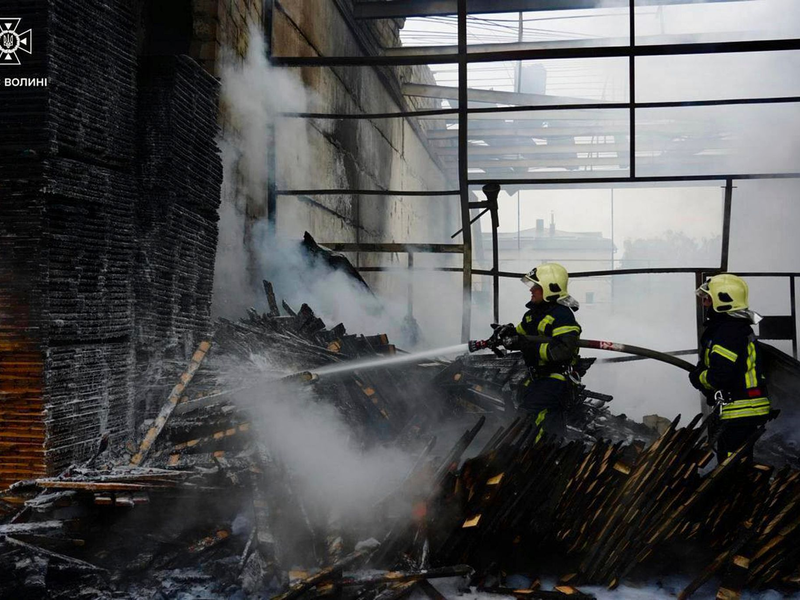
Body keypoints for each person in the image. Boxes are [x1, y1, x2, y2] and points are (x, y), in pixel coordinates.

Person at [496, 263, 582, 441]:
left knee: (528, 418)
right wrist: (506, 334)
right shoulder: (533, 315)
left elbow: (564, 350)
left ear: (551, 288)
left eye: (536, 286)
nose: (531, 290)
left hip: (555, 380)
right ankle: (556, 458)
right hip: (539, 379)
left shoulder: (562, 315)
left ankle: (529, 454)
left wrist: (531, 348)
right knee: (551, 424)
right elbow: (519, 337)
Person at [690, 274, 771, 459]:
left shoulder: (728, 332)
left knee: (731, 464)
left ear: (723, 301)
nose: (704, 303)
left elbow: (720, 376)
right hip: (742, 408)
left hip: (741, 409)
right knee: (735, 461)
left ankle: (741, 488)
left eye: (708, 298)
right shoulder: (730, 328)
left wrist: (697, 377)